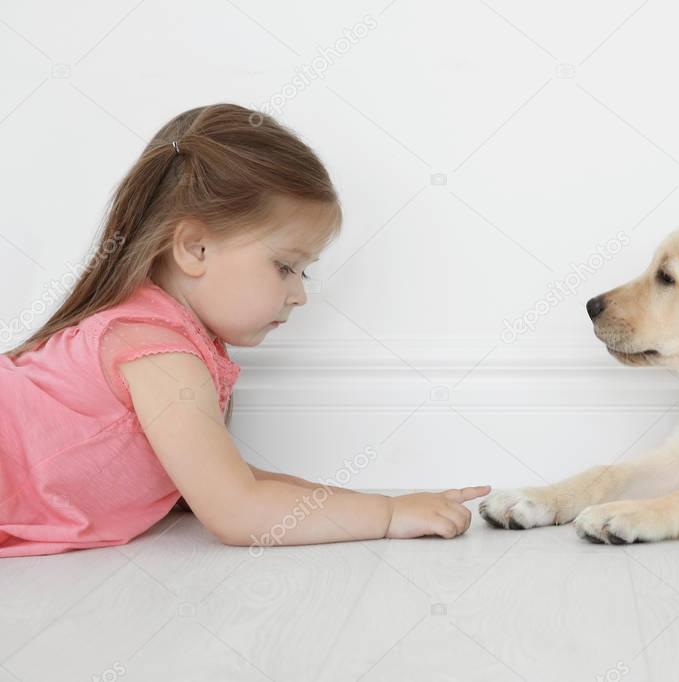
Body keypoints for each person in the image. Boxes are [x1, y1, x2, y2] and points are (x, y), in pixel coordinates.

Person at [0, 103, 490, 558]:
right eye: (284, 267)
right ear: (195, 248)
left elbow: (226, 483)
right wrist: (386, 516)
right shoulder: (156, 351)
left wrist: (383, 502)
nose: (300, 295)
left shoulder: (166, 342)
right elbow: (236, 510)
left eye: (305, 272)